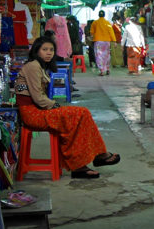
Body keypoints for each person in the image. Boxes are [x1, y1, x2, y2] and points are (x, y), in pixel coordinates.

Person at [15, 37, 120, 178]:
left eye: (51, 50)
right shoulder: (33, 66)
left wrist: (54, 106)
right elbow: (38, 98)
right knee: (80, 114)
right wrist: (56, 106)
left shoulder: (39, 66)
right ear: (36, 51)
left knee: (82, 114)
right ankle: (85, 162)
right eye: (44, 49)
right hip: (33, 114)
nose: (49, 53)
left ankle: (95, 157)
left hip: (39, 110)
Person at [89, 10, 117, 76]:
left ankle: (101, 70)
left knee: (99, 56)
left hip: (98, 41)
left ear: (98, 15)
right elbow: (111, 32)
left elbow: (91, 33)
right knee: (107, 55)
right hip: (106, 42)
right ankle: (107, 69)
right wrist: (114, 41)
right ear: (104, 15)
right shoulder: (107, 23)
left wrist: (91, 38)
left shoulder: (95, 22)